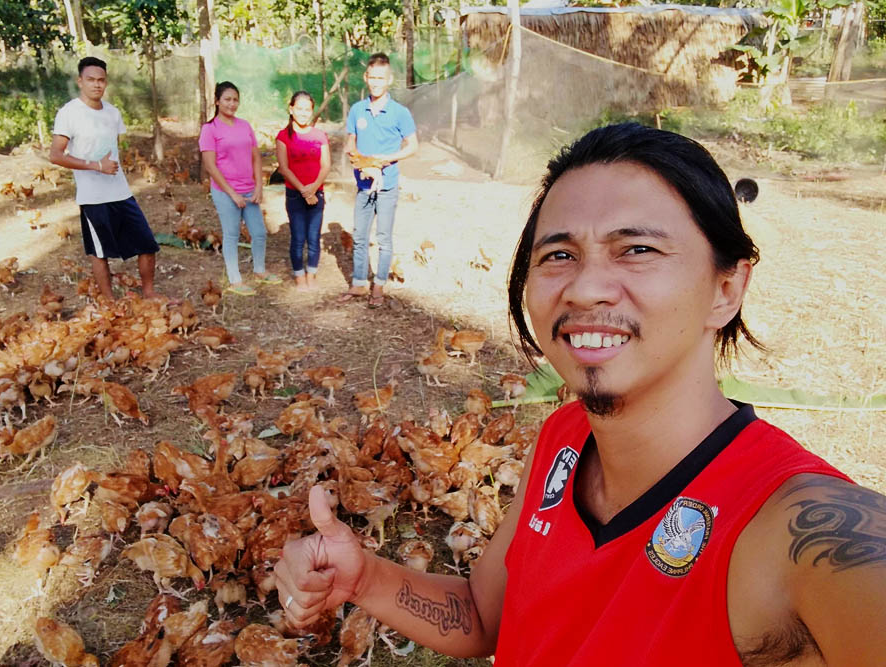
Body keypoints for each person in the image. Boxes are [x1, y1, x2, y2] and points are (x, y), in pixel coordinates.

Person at [275, 124, 886, 663]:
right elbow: (489, 617)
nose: (587, 286)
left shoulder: (800, 533)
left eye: (638, 249)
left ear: (726, 288)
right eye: (559, 254)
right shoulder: (562, 440)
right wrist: (365, 579)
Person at [50, 56, 162, 300]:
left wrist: (111, 166)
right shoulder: (69, 113)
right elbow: (56, 155)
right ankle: (110, 303)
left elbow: (115, 149)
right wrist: (95, 165)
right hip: (93, 197)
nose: (96, 85)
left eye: (101, 80)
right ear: (80, 81)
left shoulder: (113, 113)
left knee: (147, 244)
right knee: (99, 253)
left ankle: (149, 292)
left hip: (121, 192)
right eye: (90, 80)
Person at [338, 53, 418, 308]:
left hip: (387, 185)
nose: (375, 82)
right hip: (363, 184)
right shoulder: (357, 110)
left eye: (380, 78)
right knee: (360, 235)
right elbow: (351, 142)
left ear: (389, 79)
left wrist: (384, 160)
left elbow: (413, 146)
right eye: (372, 77)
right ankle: (359, 282)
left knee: (383, 237)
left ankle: (379, 285)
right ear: (366, 77)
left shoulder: (399, 113)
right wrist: (360, 161)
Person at [199, 81, 282, 296]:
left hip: (249, 189)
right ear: (217, 101)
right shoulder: (210, 129)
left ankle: (259, 271)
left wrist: (259, 187)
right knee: (232, 234)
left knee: (259, 233)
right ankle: (235, 280)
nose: (232, 104)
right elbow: (210, 165)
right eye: (227, 99)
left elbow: (255, 157)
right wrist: (232, 193)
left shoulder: (245, 126)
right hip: (226, 191)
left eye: (235, 99)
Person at [275, 91, 330, 290]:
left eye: (307, 109)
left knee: (314, 237)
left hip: (317, 195)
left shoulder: (320, 135)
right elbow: (284, 168)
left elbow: (326, 166)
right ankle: (299, 275)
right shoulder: (283, 136)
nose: (304, 113)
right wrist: (303, 191)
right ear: (291, 109)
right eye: (299, 109)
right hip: (295, 195)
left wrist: (313, 189)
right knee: (298, 237)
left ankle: (312, 274)